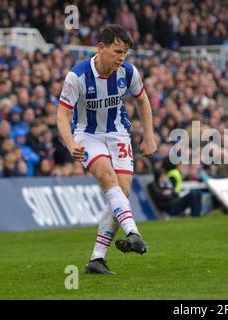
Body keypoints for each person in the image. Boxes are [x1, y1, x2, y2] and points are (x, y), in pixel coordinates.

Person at [57, 24, 157, 275]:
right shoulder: (77, 76)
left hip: (118, 133)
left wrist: (149, 136)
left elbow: (143, 100)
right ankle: (134, 232)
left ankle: (97, 259)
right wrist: (71, 144)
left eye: (124, 53)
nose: (121, 58)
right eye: (117, 51)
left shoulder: (128, 72)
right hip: (87, 135)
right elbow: (62, 115)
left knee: (121, 193)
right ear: (100, 48)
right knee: (106, 176)